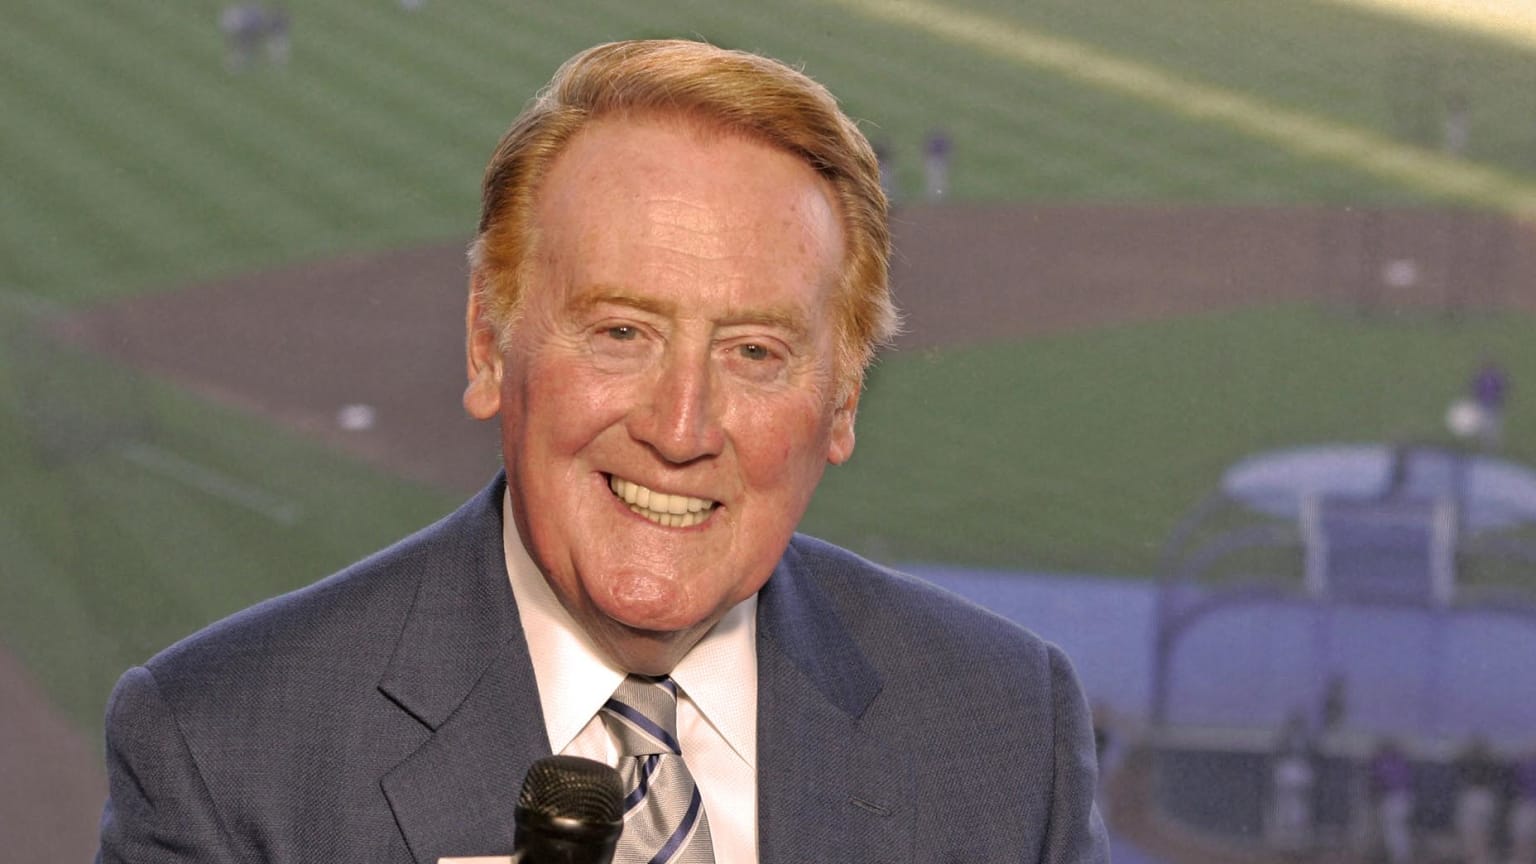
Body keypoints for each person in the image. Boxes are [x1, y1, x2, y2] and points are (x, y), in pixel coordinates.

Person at [95, 39, 1108, 863]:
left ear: (842, 403)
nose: (680, 428)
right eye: (622, 332)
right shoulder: (224, 752)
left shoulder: (1005, 729)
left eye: (755, 352)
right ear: (489, 346)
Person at [1452, 736, 1503, 864]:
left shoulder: (1485, 762)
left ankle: (1478, 856)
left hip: (1478, 796)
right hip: (1478, 796)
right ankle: (1476, 856)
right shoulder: (1486, 761)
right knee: (1474, 834)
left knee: (1477, 834)